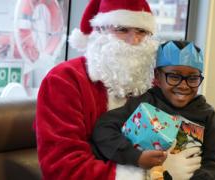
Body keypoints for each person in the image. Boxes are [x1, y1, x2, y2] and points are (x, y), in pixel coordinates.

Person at [34, 0, 161, 179]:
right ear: (99, 31)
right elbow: (63, 167)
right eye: (122, 29)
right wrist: (142, 176)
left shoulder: (150, 83)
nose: (134, 41)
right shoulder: (64, 80)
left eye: (141, 31)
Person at [92, 40, 215, 180]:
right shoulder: (145, 103)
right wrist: (137, 157)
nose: (183, 85)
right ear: (157, 76)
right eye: (174, 77)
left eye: (193, 79)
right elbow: (103, 129)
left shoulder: (207, 114)